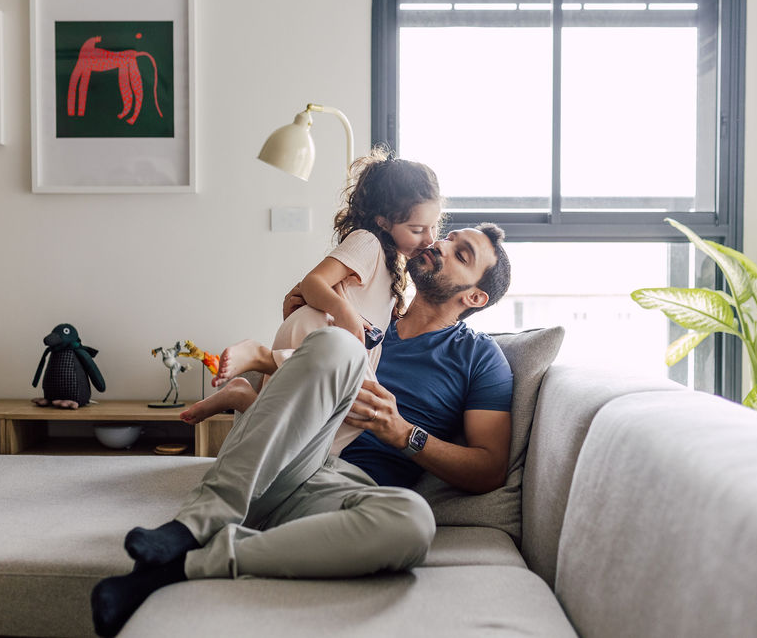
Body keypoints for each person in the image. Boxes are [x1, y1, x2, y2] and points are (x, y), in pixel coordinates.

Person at [90, 223, 513, 638]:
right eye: (449, 237)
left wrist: (403, 433)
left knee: (413, 522)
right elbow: (310, 345)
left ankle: (183, 567)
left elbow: (489, 468)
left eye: (461, 254)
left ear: (475, 296)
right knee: (341, 344)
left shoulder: (478, 357)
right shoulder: (368, 313)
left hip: (341, 493)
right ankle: (197, 521)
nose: (441, 244)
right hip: (280, 461)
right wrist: (302, 331)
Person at [181, 148, 442, 454]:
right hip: (321, 334)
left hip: (339, 346)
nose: (430, 239)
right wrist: (344, 311)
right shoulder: (367, 242)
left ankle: (242, 396)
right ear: (383, 221)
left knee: (301, 437)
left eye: (433, 227)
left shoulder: (392, 265)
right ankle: (257, 354)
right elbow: (312, 282)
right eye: (417, 229)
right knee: (326, 433)